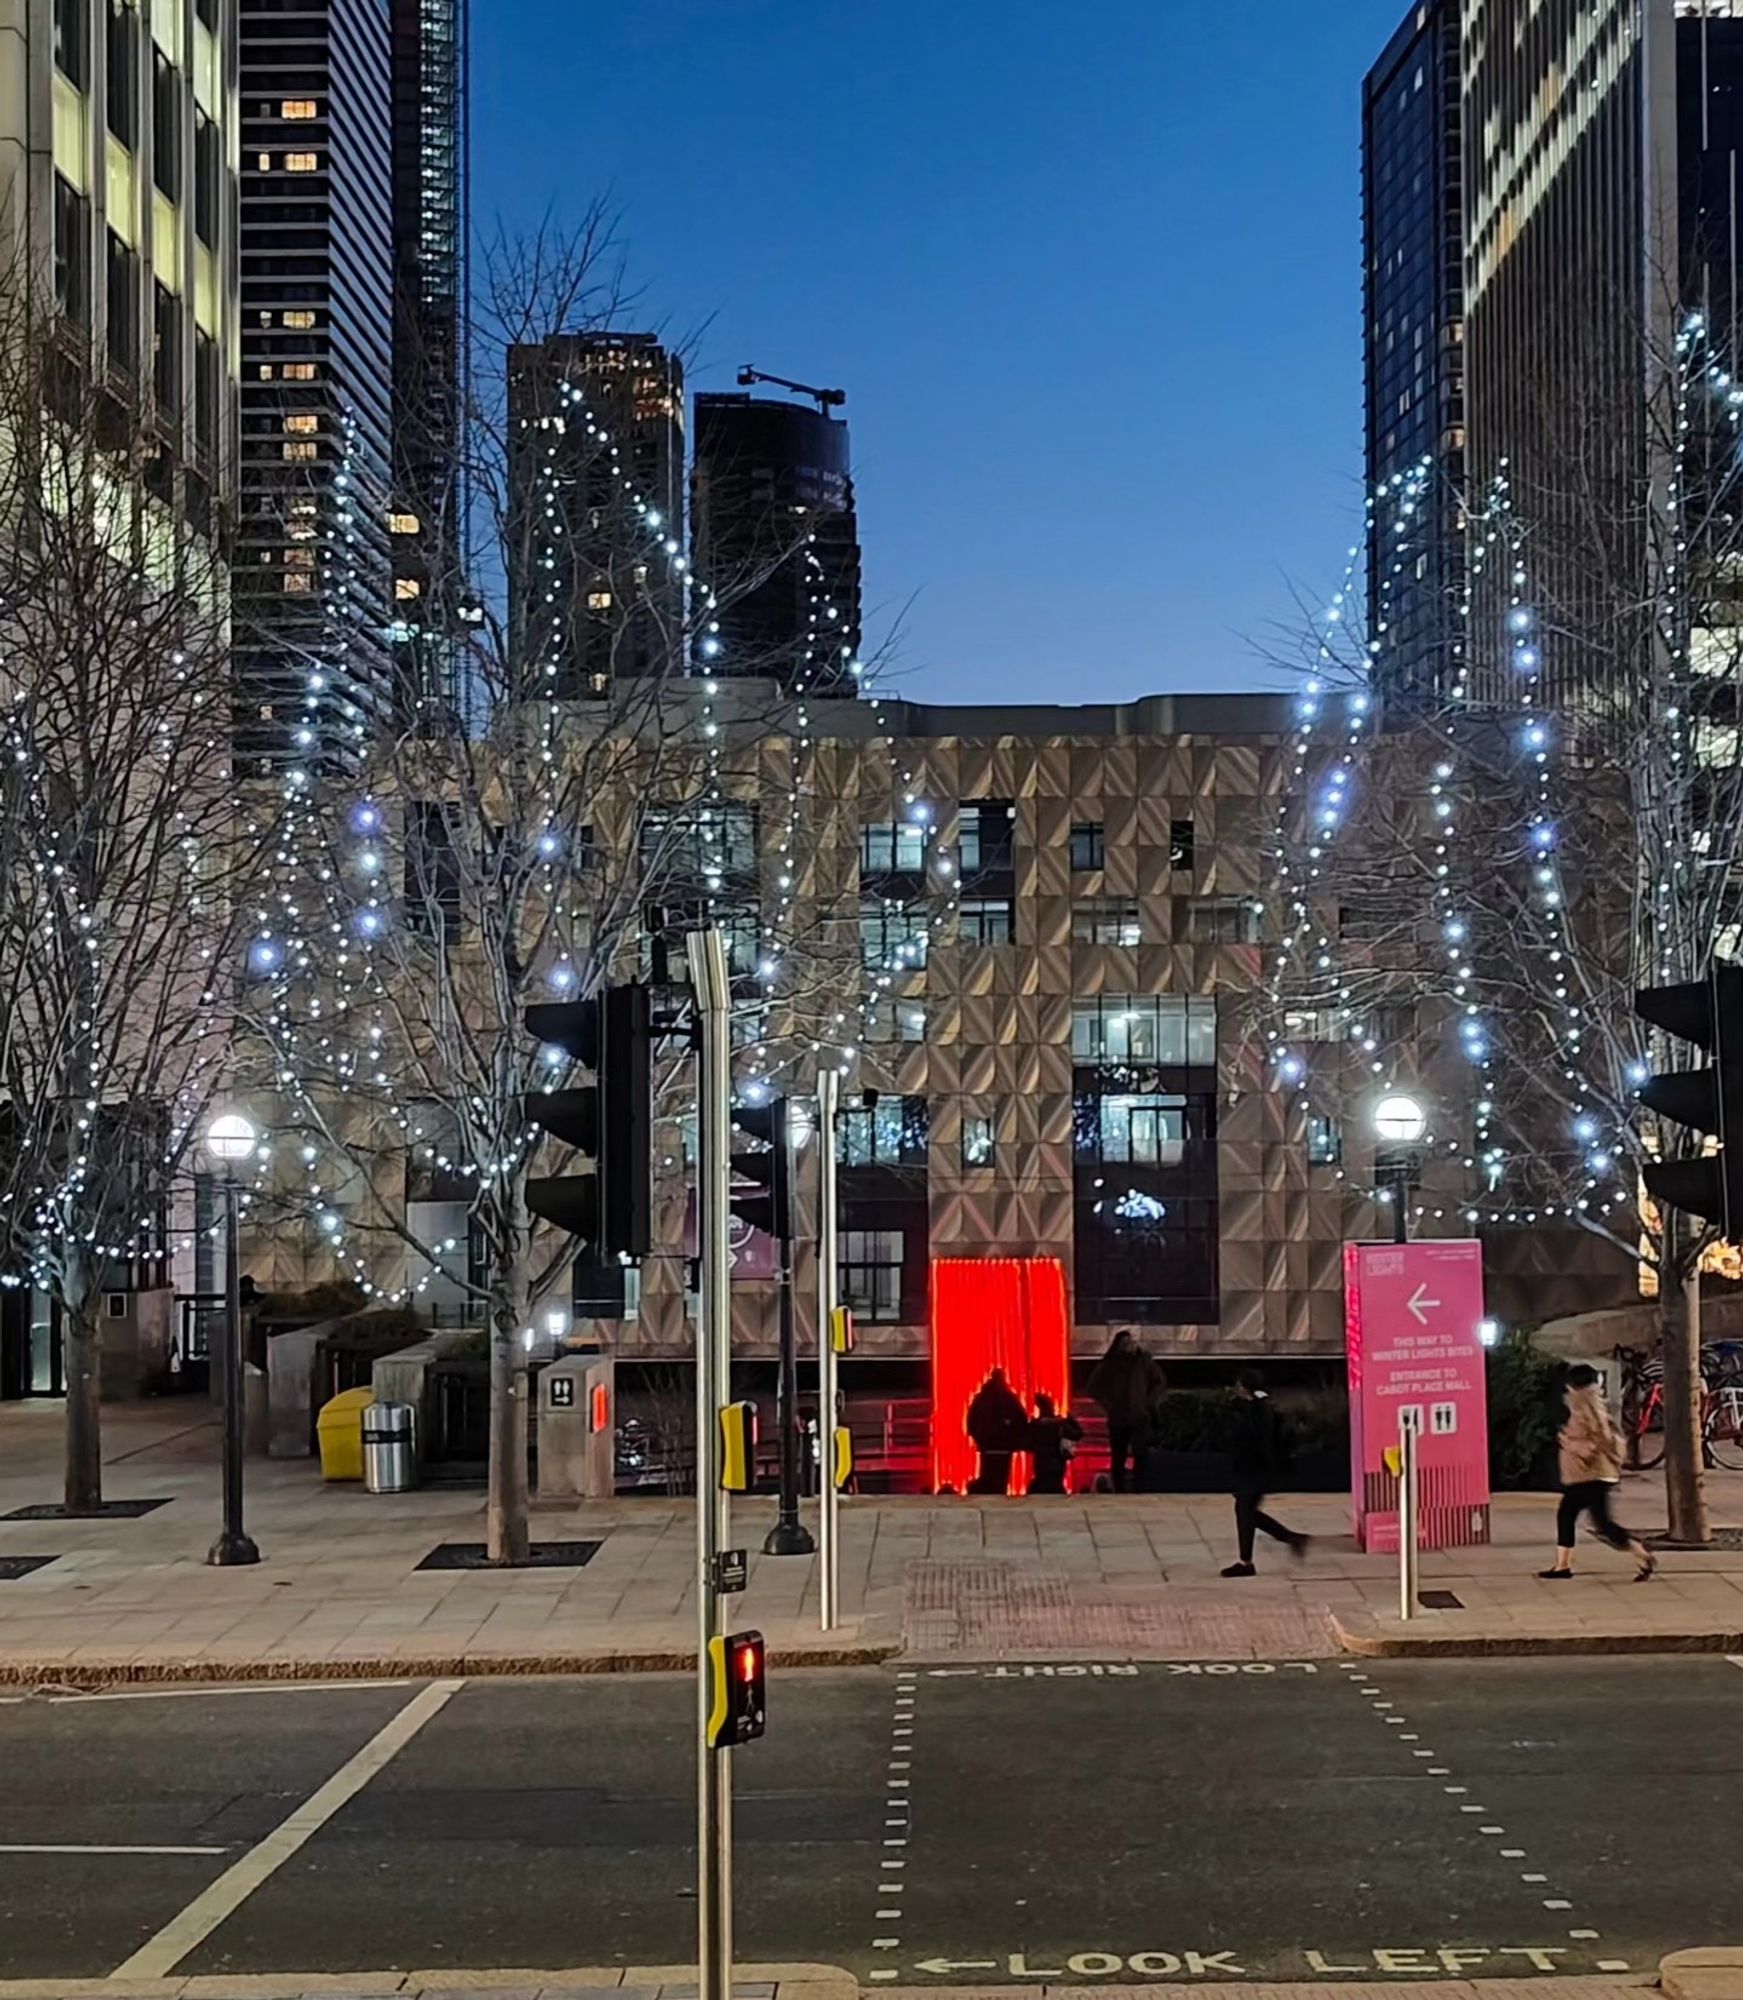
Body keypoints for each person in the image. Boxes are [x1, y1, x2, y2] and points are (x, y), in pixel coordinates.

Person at [1541, 1364, 1656, 1582]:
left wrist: (1578, 1447)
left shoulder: (1585, 1402)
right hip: (1588, 1473)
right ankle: (1562, 1565)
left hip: (1591, 1473)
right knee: (1572, 1516)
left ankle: (1641, 1555)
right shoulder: (1586, 1400)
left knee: (1600, 1522)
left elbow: (1602, 1435)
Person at [1221, 1367, 1309, 1577]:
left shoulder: (1257, 1410)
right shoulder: (1260, 1406)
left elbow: (1253, 1441)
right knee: (1247, 1512)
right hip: (1256, 1469)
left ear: (1246, 1388)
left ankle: (1247, 1562)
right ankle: (1291, 1539)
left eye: (1240, 1386)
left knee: (1245, 1511)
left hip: (1254, 1470)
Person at [1088, 1330, 1165, 1493]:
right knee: (1118, 1456)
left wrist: (1147, 1402)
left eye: (1131, 1343)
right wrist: (1109, 1406)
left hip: (1139, 1415)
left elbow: (1159, 1381)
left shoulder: (1143, 1361)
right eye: (1125, 1344)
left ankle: (1140, 1488)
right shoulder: (1109, 1364)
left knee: (1141, 1455)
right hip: (1118, 1418)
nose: (1129, 1346)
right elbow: (1093, 1388)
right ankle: (1120, 1489)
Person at [966, 1367, 1029, 1495]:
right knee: (1001, 1476)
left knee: (988, 1472)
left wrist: (978, 1437)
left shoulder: (981, 1398)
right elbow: (1021, 1419)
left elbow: (971, 1420)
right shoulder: (1009, 1398)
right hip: (1004, 1446)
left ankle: (988, 1493)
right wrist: (1016, 1439)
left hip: (986, 1445)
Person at [1026, 1392, 1084, 1495]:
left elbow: (1027, 1442)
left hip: (1041, 1461)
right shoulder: (1060, 1424)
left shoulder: (1036, 1425)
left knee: (1042, 1483)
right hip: (1057, 1461)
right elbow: (1077, 1434)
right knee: (1056, 1486)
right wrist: (1071, 1421)